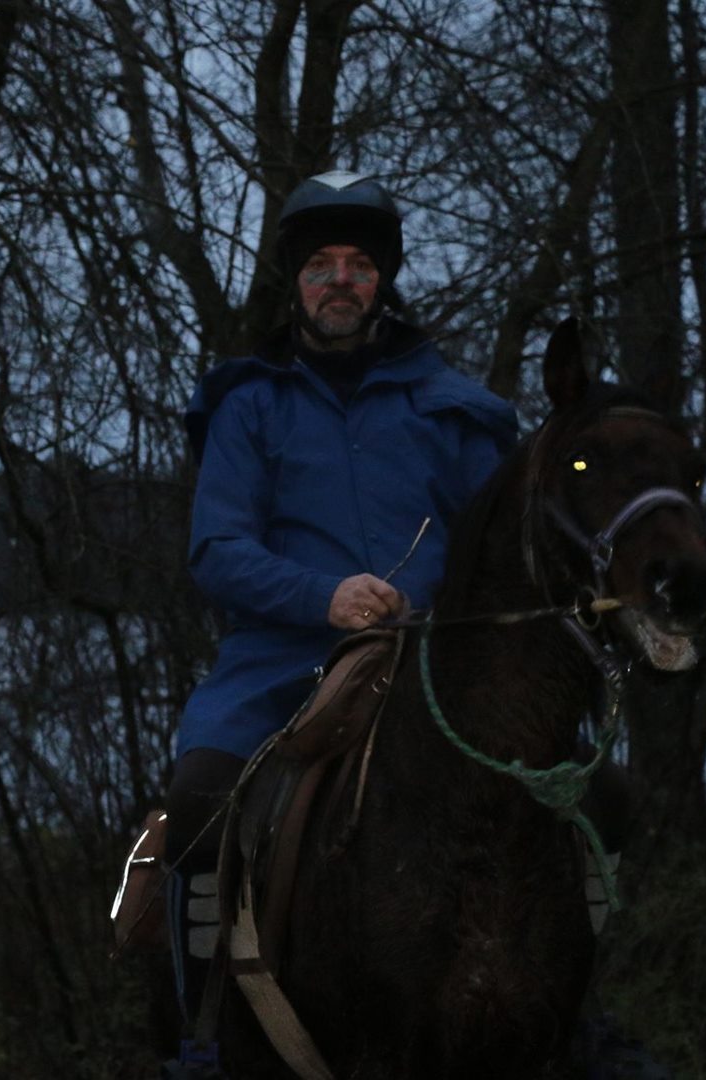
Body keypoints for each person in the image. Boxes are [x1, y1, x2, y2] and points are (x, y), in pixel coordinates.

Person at [160, 171, 518, 1066]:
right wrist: (323, 597)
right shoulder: (249, 406)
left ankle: (571, 1009)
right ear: (296, 282)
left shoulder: (457, 411)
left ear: (384, 280)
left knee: (576, 793)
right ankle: (202, 1027)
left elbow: (499, 549)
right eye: (321, 264)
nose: (340, 281)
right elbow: (217, 552)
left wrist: (422, 604)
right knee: (200, 793)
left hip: (437, 667)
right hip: (279, 667)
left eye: (360, 264)